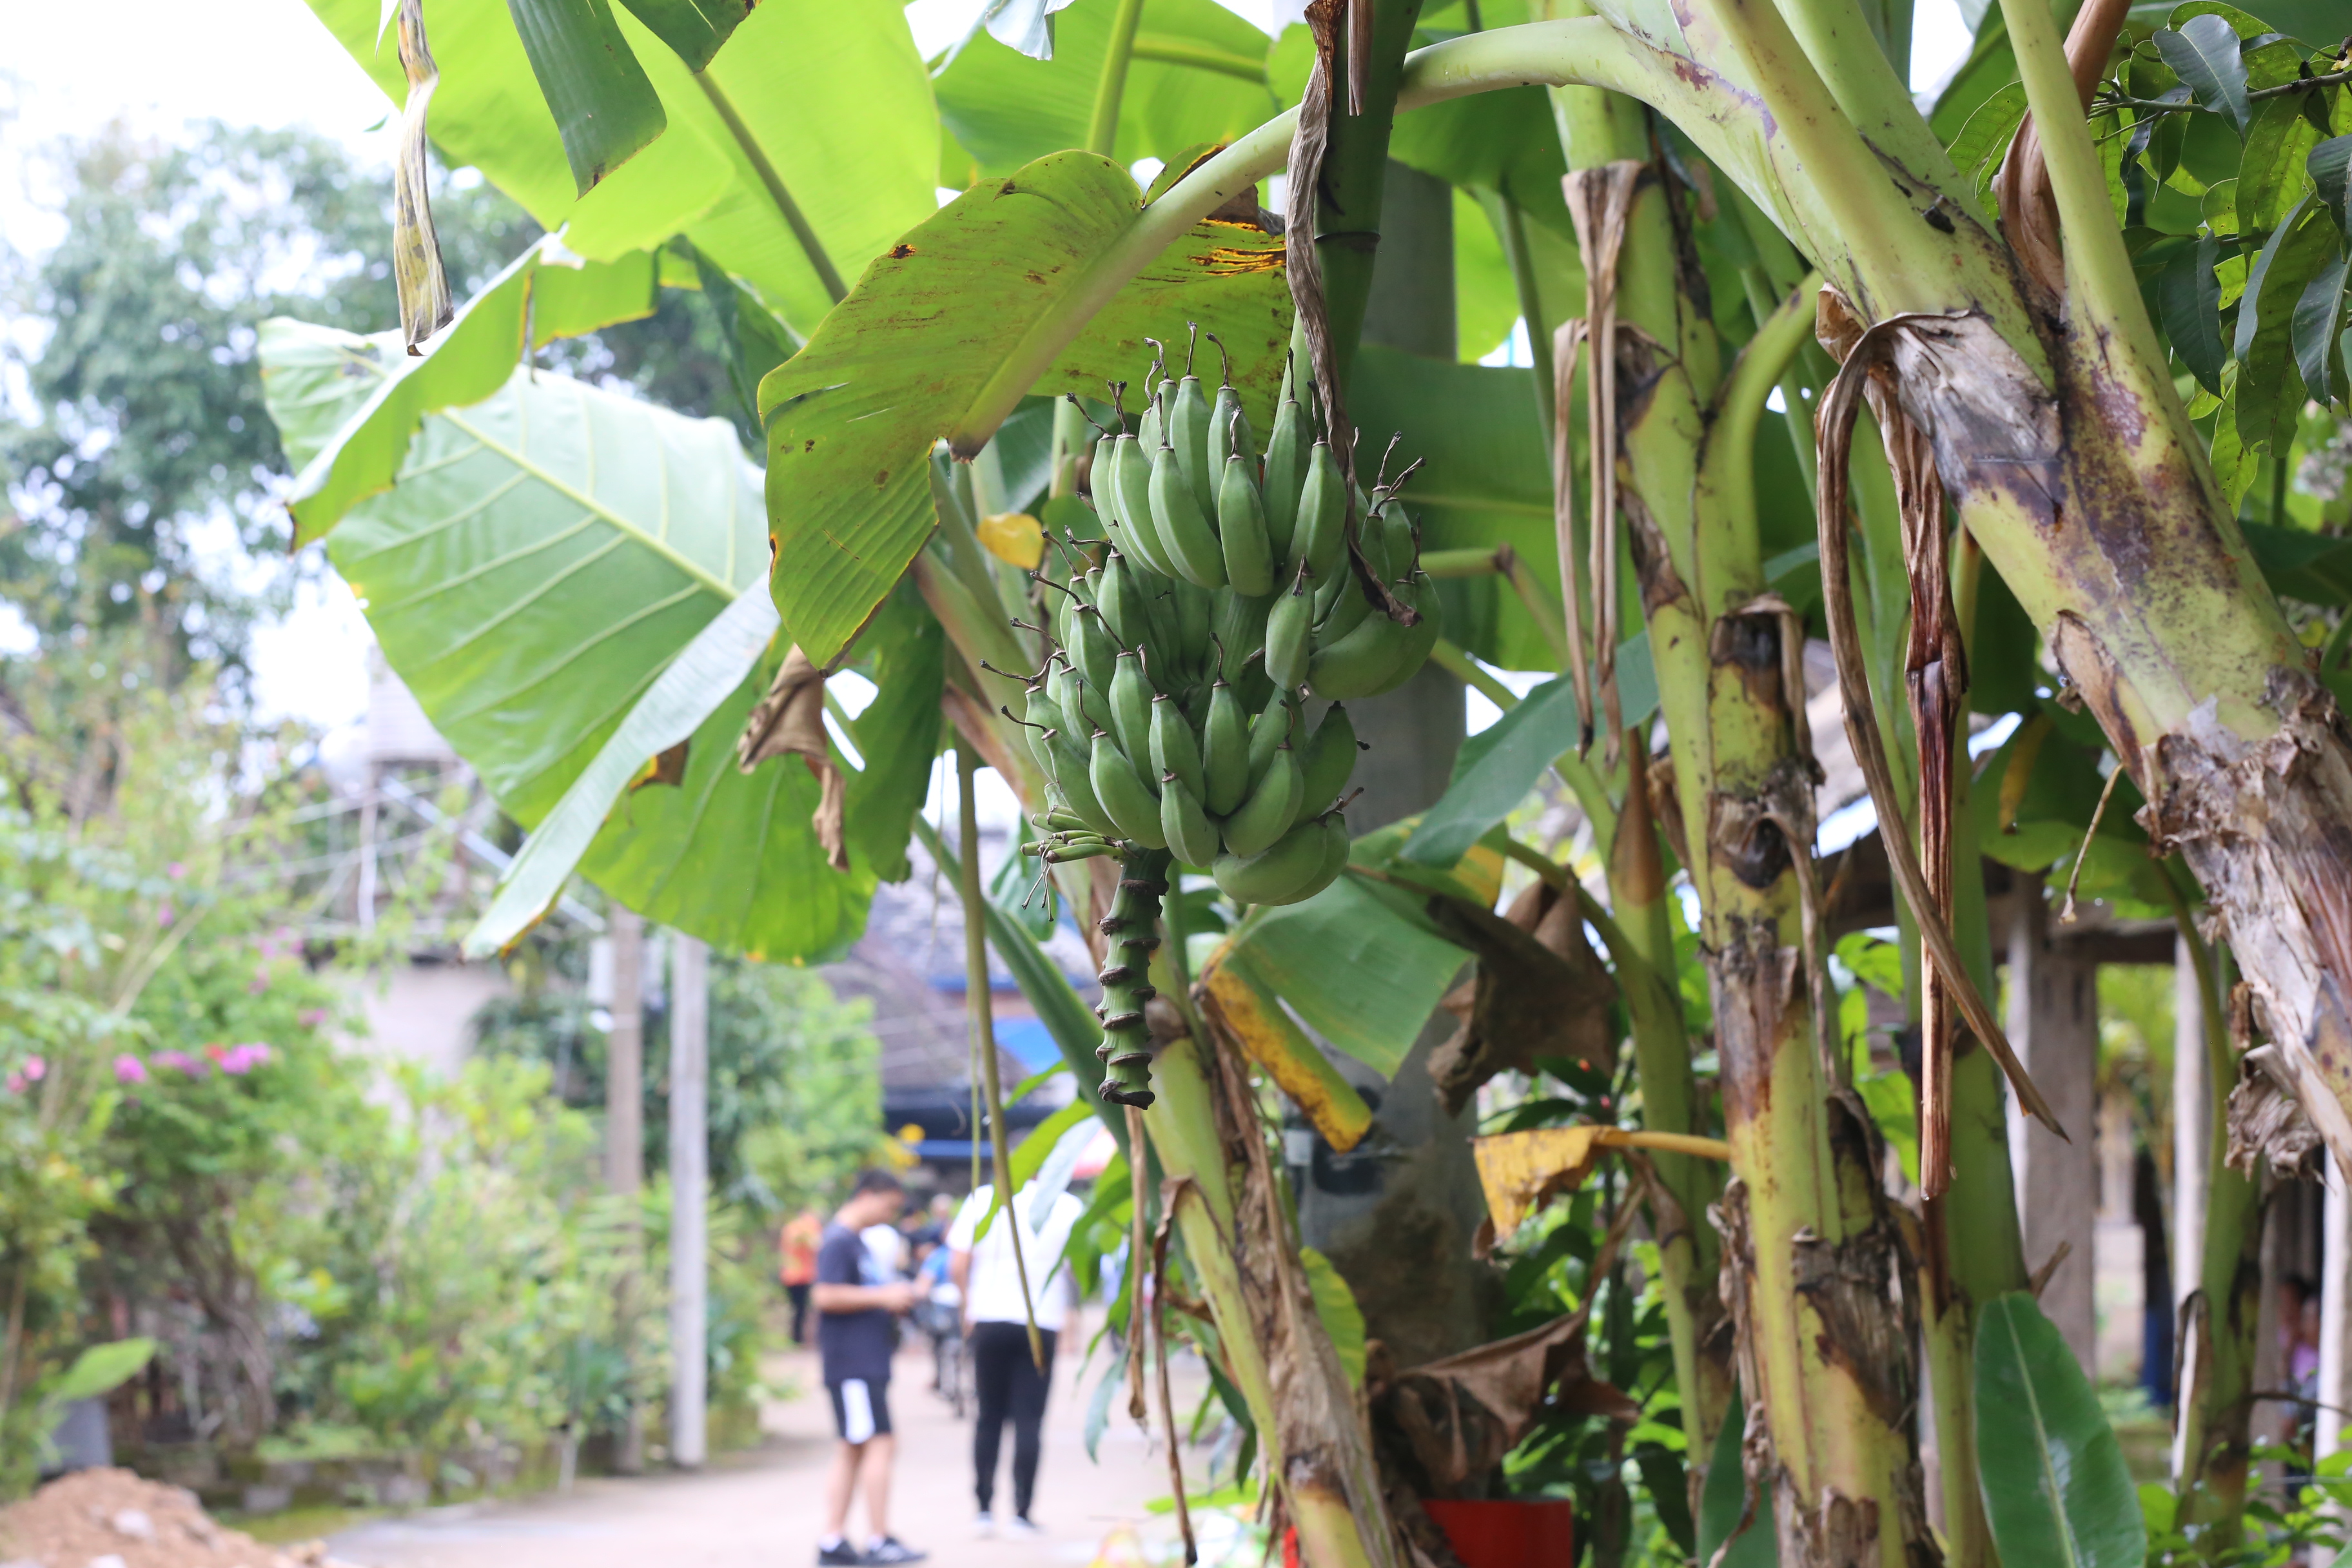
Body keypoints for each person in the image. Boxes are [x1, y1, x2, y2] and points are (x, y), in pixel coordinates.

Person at [947, 1175, 1084, 1538]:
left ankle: (984, 1510)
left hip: (990, 1318)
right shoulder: (1066, 1206)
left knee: (988, 1416)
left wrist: (967, 1305)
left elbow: (958, 1263)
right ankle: (1023, 1513)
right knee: (1029, 1420)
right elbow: (1078, 1266)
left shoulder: (984, 1199)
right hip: (1041, 1320)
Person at [814, 1170, 926, 1566]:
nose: (890, 1214)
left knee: (854, 1447)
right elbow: (824, 1294)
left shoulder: (855, 1242)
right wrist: (883, 1296)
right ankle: (877, 1539)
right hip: (852, 1364)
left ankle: (834, 1539)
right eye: (888, 1205)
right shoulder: (839, 1241)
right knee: (878, 1443)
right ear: (866, 1196)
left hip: (863, 1362)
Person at [781, 1208, 822, 1346]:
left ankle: (800, 1338)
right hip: (800, 1276)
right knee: (801, 1309)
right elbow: (816, 1246)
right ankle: (798, 1339)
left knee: (800, 1309)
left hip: (797, 1275)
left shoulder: (791, 1228)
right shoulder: (804, 1229)